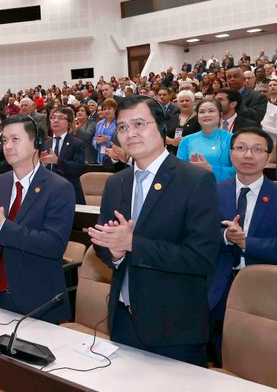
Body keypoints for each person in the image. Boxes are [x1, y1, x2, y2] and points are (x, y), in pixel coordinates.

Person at [88, 96, 220, 367]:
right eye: (122, 127)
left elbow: (201, 258)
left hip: (173, 328)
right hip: (123, 320)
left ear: (161, 127)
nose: (130, 133)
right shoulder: (116, 183)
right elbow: (104, 244)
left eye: (139, 124)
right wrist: (114, 253)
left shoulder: (195, 180)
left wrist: (132, 243)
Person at [0, 115, 74, 324]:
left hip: (38, 300)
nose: (8, 146)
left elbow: (53, 245)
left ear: (36, 143)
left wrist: (2, 227)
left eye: (15, 139)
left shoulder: (59, 188)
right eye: (5, 140)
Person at [208, 128, 277, 365]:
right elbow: (197, 237)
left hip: (264, 291)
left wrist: (246, 242)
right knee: (213, 355)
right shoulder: (213, 192)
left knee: (254, 360)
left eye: (257, 149)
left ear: (268, 156)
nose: (248, 155)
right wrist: (225, 237)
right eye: (241, 148)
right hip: (216, 286)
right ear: (231, 153)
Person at [177, 98, 235, 183]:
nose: (206, 115)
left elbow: (239, 170)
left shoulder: (232, 139)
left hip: (223, 188)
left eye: (211, 111)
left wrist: (210, 168)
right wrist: (191, 168)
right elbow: (179, 170)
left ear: (220, 114)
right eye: (202, 112)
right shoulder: (187, 140)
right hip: (194, 187)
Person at [40, 107, 86, 204]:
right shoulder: (46, 143)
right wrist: (43, 163)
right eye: (53, 118)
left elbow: (78, 167)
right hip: (48, 192)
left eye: (61, 118)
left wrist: (57, 161)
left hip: (69, 191)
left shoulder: (77, 143)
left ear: (69, 123)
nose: (55, 120)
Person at [165, 90, 200, 154]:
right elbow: (163, 136)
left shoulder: (199, 119)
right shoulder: (173, 118)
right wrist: (172, 141)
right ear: (178, 104)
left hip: (191, 154)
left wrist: (185, 141)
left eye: (187, 100)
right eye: (181, 101)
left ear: (193, 102)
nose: (184, 103)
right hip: (172, 154)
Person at [93, 98, 117, 164]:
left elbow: (120, 140)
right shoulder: (99, 124)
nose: (106, 111)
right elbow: (94, 138)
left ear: (114, 109)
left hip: (114, 156)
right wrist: (96, 141)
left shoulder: (118, 123)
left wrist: (107, 139)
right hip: (100, 154)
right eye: (104, 109)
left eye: (109, 108)